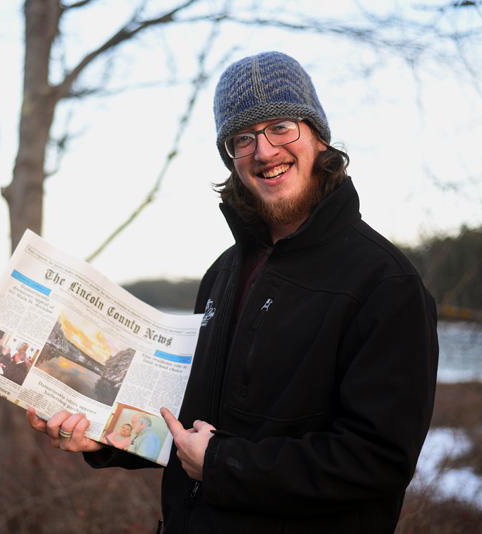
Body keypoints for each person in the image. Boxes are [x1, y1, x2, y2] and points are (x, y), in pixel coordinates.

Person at [27, 51, 439, 533]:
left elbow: (379, 460)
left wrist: (223, 464)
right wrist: (104, 438)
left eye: (282, 127)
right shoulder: (223, 273)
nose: (264, 151)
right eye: (243, 138)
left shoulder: (385, 283)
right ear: (231, 158)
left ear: (319, 137)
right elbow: (194, 423)